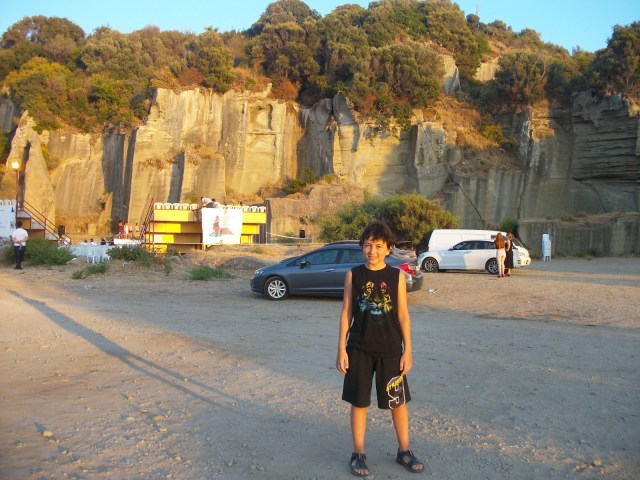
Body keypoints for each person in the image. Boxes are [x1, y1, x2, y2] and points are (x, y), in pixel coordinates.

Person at [336, 221, 424, 477]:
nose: (371, 251)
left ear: (388, 249)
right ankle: (358, 453)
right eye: (367, 245)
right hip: (359, 349)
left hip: (390, 350)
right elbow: (346, 312)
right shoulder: (353, 275)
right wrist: (341, 348)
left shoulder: (396, 276)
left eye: (377, 246)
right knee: (359, 402)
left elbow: (403, 315)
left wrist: (408, 350)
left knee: (398, 403)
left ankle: (404, 451)